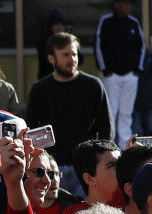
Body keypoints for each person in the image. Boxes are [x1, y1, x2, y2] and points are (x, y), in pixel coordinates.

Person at [27, 33, 114, 198]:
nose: (72, 59)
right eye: (65, 55)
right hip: (50, 168)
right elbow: (31, 128)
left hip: (84, 167)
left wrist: (98, 163)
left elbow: (106, 129)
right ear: (51, 58)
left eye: (74, 54)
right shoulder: (40, 89)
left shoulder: (93, 86)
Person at [96, 0, 146, 144]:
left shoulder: (134, 23)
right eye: (125, 3)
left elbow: (141, 47)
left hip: (131, 74)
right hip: (111, 75)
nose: (128, 6)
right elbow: (98, 46)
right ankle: (110, 144)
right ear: (116, 4)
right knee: (111, 110)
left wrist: (137, 69)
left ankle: (125, 146)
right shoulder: (105, 22)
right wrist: (105, 69)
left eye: (130, 3)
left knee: (127, 112)